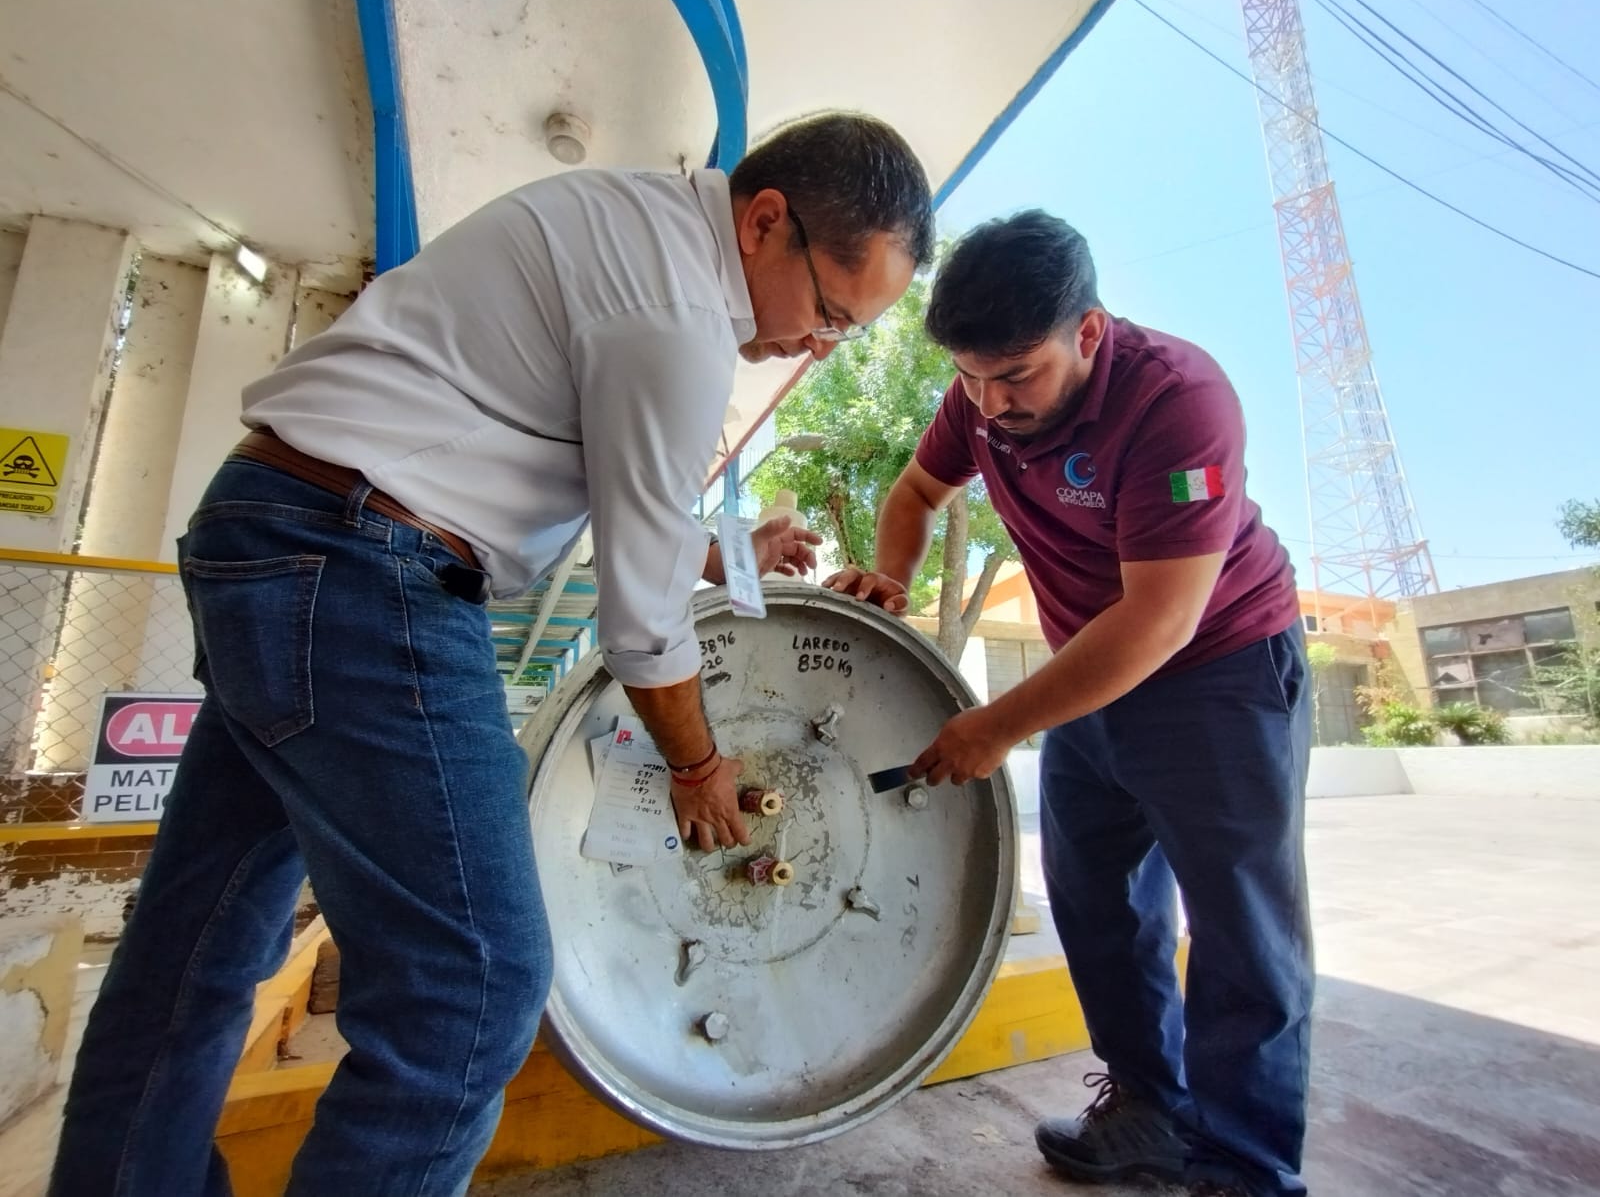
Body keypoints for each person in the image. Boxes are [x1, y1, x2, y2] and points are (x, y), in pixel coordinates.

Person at [53, 112, 934, 1196]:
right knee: (468, 991)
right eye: (830, 314)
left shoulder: (634, 226)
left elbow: (583, 474)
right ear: (765, 222)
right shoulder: (681, 318)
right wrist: (700, 767)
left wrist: (717, 549)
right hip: (364, 568)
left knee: (193, 954)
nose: (819, 345)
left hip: (275, 531)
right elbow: (642, 617)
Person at [826, 211, 1311, 1197]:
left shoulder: (1178, 400)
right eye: (969, 378)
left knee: (1240, 928)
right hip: (1090, 671)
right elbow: (914, 495)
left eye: (1015, 376)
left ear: (1086, 331)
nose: (988, 403)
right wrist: (891, 578)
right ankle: (1147, 1111)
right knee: (1098, 901)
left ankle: (1243, 1167)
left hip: (1217, 673)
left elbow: (1160, 621)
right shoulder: (980, 396)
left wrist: (999, 725)